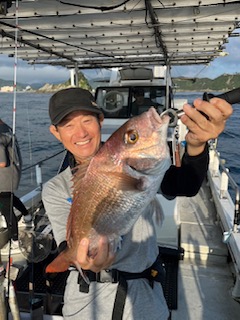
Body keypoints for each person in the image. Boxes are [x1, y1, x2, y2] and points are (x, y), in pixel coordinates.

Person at [42, 87, 232, 320]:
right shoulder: (55, 188)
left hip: (145, 297)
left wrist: (195, 144)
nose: (80, 133)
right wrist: (86, 260)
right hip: (85, 303)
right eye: (68, 125)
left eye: (87, 120)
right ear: (55, 132)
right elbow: (66, 244)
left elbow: (187, 185)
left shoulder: (142, 166)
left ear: (100, 120)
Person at [0, 118, 32, 254]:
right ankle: (27, 216)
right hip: (13, 172)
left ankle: (14, 240)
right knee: (9, 197)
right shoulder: (6, 128)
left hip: (4, 176)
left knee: (6, 206)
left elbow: (1, 162)